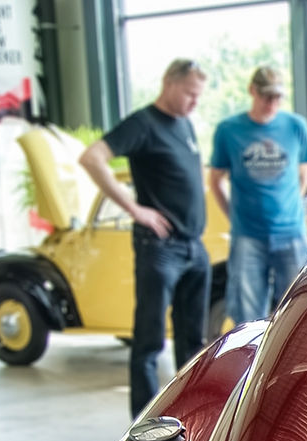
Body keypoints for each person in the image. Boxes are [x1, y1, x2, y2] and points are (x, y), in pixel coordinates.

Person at [79, 58, 210, 418]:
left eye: (199, 96)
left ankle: (191, 416)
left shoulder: (185, 124)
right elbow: (92, 158)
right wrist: (136, 209)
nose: (194, 103)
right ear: (169, 83)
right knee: (150, 341)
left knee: (194, 342)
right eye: (189, 94)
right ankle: (144, 425)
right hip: (160, 248)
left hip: (193, 246)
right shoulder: (143, 124)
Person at [208, 66, 307, 325]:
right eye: (267, 96)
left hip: (291, 232)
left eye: (278, 97)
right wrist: (233, 217)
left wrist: (290, 207)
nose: (272, 103)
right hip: (248, 235)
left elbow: (303, 175)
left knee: (297, 309)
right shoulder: (229, 130)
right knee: (248, 314)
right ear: (252, 91)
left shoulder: (295, 126)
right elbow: (215, 181)